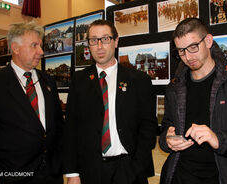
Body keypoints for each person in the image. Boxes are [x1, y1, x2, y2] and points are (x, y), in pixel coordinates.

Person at [159, 18, 227, 184]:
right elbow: (166, 128)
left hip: (225, 177)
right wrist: (167, 140)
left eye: (193, 47)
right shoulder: (174, 87)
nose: (188, 57)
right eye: (181, 51)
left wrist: (218, 139)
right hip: (180, 176)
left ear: (208, 41)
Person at [63, 19, 157, 184]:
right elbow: (71, 129)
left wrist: (136, 166)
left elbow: (148, 127)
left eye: (105, 39)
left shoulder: (138, 80)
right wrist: (72, 173)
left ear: (116, 41)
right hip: (90, 170)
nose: (99, 46)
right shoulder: (79, 80)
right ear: (88, 45)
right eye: (93, 40)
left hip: (129, 168)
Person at [0, 22, 64, 184]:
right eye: (34, 45)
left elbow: (58, 126)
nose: (41, 52)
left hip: (51, 175)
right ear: (16, 48)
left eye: (40, 46)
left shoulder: (48, 80)